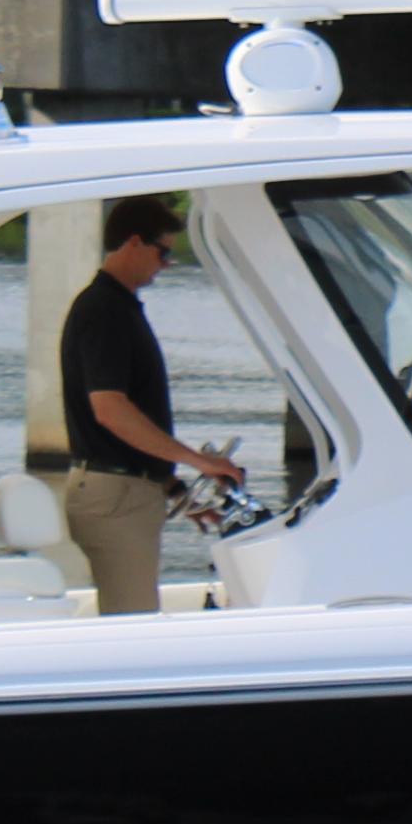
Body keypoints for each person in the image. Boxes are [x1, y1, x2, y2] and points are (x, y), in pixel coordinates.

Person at [56, 193, 243, 616]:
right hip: (115, 494)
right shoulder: (104, 311)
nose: (166, 264)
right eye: (162, 253)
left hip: (126, 488)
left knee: (135, 614)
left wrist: (175, 487)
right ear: (133, 243)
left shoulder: (116, 308)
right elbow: (110, 410)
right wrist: (199, 462)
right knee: (132, 621)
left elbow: (126, 419)